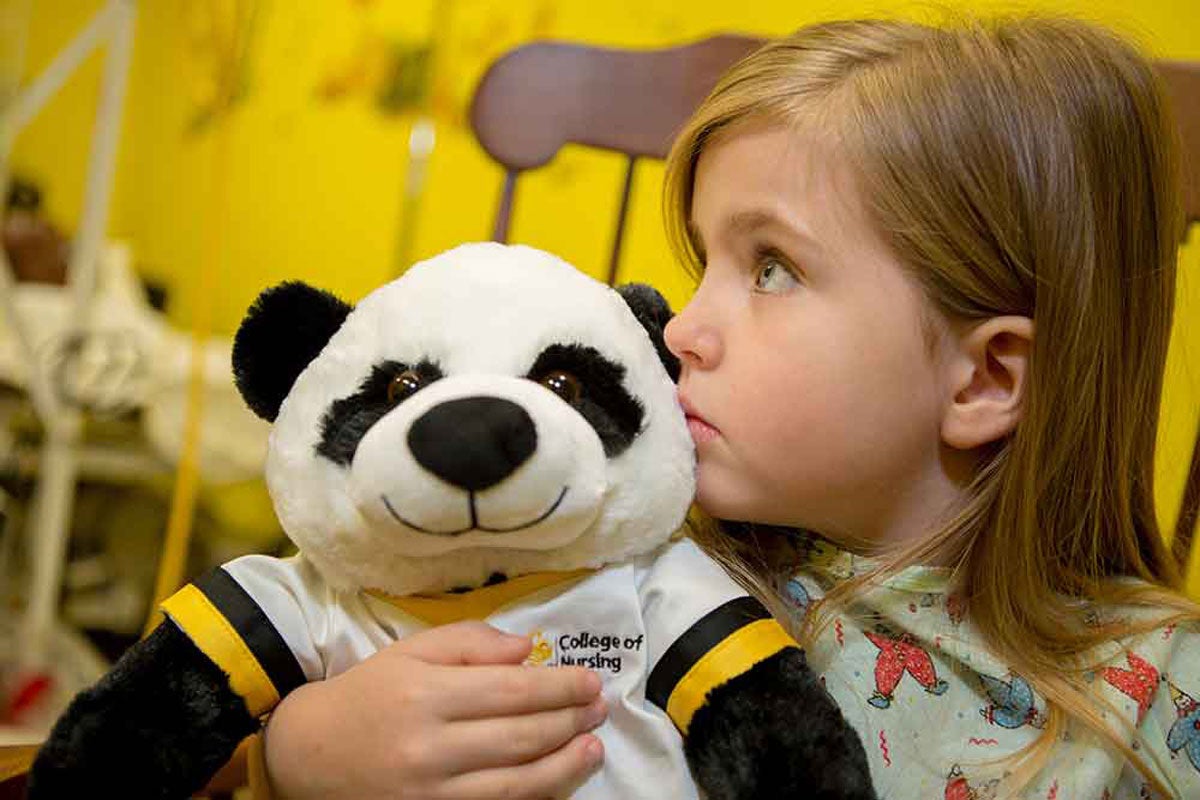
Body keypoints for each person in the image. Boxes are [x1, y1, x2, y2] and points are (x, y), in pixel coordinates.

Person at [259, 16, 1200, 799]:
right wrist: (292, 754)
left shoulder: (1162, 691)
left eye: (773, 269)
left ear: (985, 380)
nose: (681, 329)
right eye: (702, 263)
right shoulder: (603, 552)